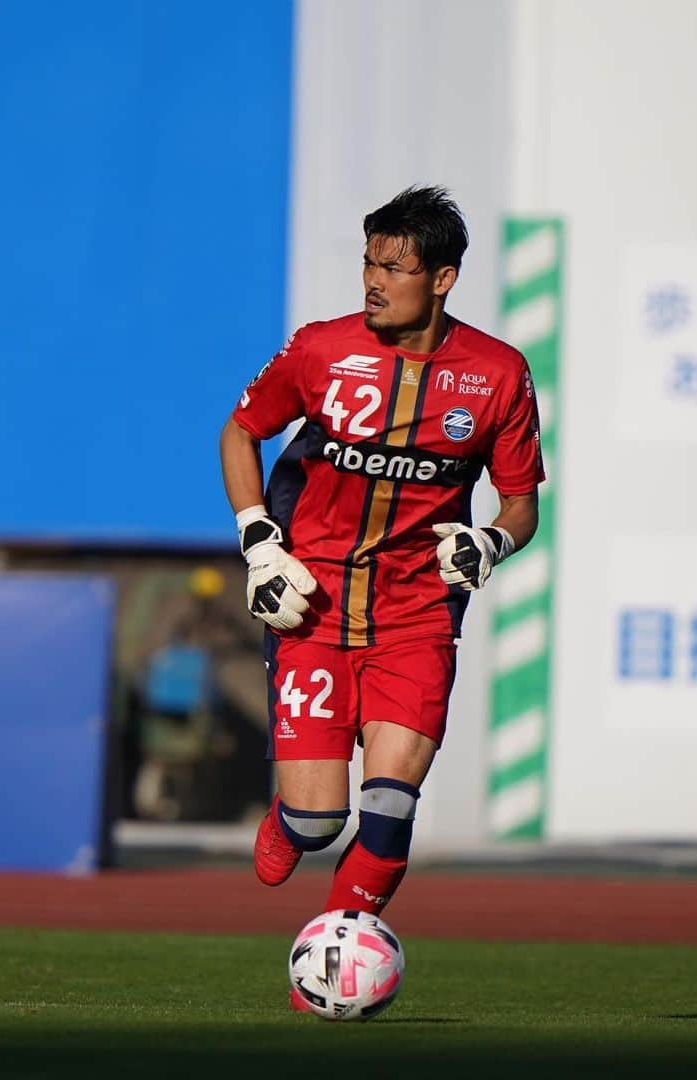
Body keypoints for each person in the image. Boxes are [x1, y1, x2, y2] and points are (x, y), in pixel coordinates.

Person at [219, 185, 544, 948]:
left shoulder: (497, 374)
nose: (373, 281)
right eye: (368, 263)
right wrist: (259, 540)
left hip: (417, 613)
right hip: (314, 607)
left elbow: (522, 502)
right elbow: (240, 433)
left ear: (442, 278)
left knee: (391, 808)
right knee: (317, 818)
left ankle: (336, 958)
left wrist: (491, 540)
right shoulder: (321, 349)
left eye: (393, 268)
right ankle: (290, 819)